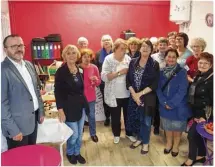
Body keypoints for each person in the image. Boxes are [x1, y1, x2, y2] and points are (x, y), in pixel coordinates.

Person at [1, 34, 44, 149]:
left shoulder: (29, 65)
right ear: (5, 50)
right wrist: (13, 130)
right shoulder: (2, 70)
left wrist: (41, 111)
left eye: (20, 45)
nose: (18, 49)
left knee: (31, 155)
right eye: (13, 46)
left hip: (33, 120)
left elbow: (36, 90)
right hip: (17, 127)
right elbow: (2, 104)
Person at [54, 45, 89, 164]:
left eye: (74, 53)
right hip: (68, 108)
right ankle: (70, 153)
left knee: (79, 135)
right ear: (64, 56)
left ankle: (77, 152)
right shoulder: (61, 72)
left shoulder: (80, 69)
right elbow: (57, 92)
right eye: (68, 53)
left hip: (80, 106)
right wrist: (60, 110)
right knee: (73, 134)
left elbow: (80, 89)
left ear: (77, 55)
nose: (72, 55)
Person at [156, 49, 192, 157]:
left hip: (178, 105)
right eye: (169, 56)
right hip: (164, 105)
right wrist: (164, 102)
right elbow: (157, 89)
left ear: (177, 58)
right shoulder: (161, 72)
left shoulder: (182, 71)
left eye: (173, 57)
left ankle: (175, 145)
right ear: (165, 57)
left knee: (177, 127)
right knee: (167, 126)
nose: (171, 59)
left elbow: (182, 90)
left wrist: (171, 103)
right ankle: (168, 143)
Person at [127, 39, 160, 154]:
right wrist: (134, 94)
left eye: (148, 47)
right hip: (134, 95)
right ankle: (140, 138)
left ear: (151, 50)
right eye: (143, 46)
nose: (145, 48)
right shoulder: (133, 62)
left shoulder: (155, 64)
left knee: (146, 121)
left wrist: (139, 94)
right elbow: (128, 80)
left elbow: (155, 83)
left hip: (148, 96)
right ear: (139, 48)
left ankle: (145, 143)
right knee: (137, 119)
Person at [182, 52, 213, 166]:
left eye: (206, 63)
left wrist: (206, 117)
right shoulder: (198, 75)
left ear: (211, 65)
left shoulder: (212, 80)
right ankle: (201, 155)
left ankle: (191, 159)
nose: (202, 65)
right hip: (195, 111)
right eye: (200, 62)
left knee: (191, 134)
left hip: (205, 114)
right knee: (200, 135)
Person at [101, 38, 134, 143]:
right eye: (121, 49)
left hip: (128, 93)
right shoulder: (108, 59)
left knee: (128, 116)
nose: (123, 51)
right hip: (113, 94)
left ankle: (129, 133)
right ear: (115, 49)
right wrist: (120, 73)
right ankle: (116, 134)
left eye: (125, 49)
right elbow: (104, 77)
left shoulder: (128, 59)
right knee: (115, 117)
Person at [79, 48, 101, 143]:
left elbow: (99, 82)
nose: (87, 59)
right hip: (79, 97)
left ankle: (93, 133)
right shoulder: (77, 67)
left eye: (88, 57)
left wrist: (96, 80)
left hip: (91, 97)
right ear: (81, 58)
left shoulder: (94, 67)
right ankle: (79, 134)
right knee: (80, 116)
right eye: (84, 57)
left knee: (91, 116)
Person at [151, 37, 169, 135]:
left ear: (167, 46)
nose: (162, 46)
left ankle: (167, 127)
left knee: (166, 106)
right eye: (160, 44)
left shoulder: (170, 56)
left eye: (164, 45)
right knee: (156, 107)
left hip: (168, 86)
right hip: (157, 85)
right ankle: (156, 126)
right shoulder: (153, 56)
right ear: (157, 46)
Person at [95, 34, 113, 126]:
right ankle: (107, 117)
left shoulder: (115, 52)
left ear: (111, 41)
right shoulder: (98, 53)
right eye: (104, 40)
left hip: (114, 80)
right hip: (103, 81)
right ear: (102, 42)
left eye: (108, 40)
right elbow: (96, 68)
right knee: (105, 100)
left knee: (114, 99)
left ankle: (114, 117)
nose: (106, 41)